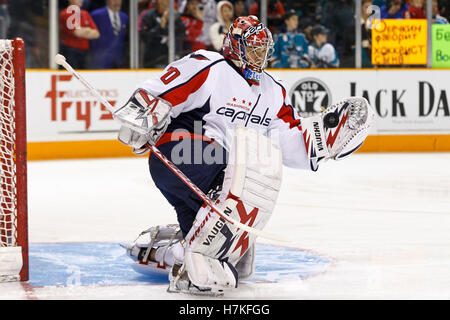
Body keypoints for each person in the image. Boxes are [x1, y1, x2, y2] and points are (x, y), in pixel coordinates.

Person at [117, 16, 374, 295]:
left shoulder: (273, 91)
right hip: (178, 153)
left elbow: (292, 141)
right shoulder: (210, 67)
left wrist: (325, 141)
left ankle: (170, 253)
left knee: (226, 258)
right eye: (254, 47)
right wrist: (142, 115)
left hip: (220, 171)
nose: (260, 55)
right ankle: (195, 249)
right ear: (235, 46)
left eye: (264, 48)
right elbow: (161, 89)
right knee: (239, 171)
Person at [140, 0, 185, 68]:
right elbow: (145, 37)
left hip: (172, 57)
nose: (164, 3)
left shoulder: (175, 16)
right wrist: (160, 26)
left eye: (166, 1)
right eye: (162, 1)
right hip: (154, 58)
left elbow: (181, 33)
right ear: (157, 2)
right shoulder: (149, 16)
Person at [59, 0, 100, 69]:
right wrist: (88, 30)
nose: (81, 0)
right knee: (71, 75)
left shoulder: (85, 14)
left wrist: (82, 30)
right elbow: (77, 33)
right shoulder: (66, 13)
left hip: (85, 52)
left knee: (84, 76)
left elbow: (96, 34)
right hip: (70, 51)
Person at [89, 0, 129, 69]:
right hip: (99, 59)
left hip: (118, 60)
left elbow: (123, 38)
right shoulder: (96, 15)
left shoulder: (124, 17)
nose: (117, 2)